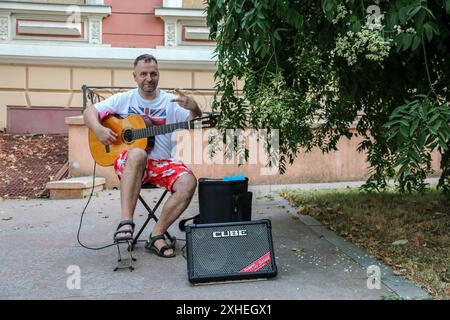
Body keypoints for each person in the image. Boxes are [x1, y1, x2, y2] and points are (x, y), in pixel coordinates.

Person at [83, 54, 202, 258]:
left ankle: (157, 235)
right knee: (137, 152)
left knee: (189, 181)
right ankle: (126, 222)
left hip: (162, 163)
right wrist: (99, 130)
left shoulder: (170, 101)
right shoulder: (124, 99)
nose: (149, 78)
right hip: (130, 162)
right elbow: (89, 111)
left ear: (158, 75)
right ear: (135, 76)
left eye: (153, 74)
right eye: (144, 74)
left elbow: (194, 120)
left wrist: (193, 107)